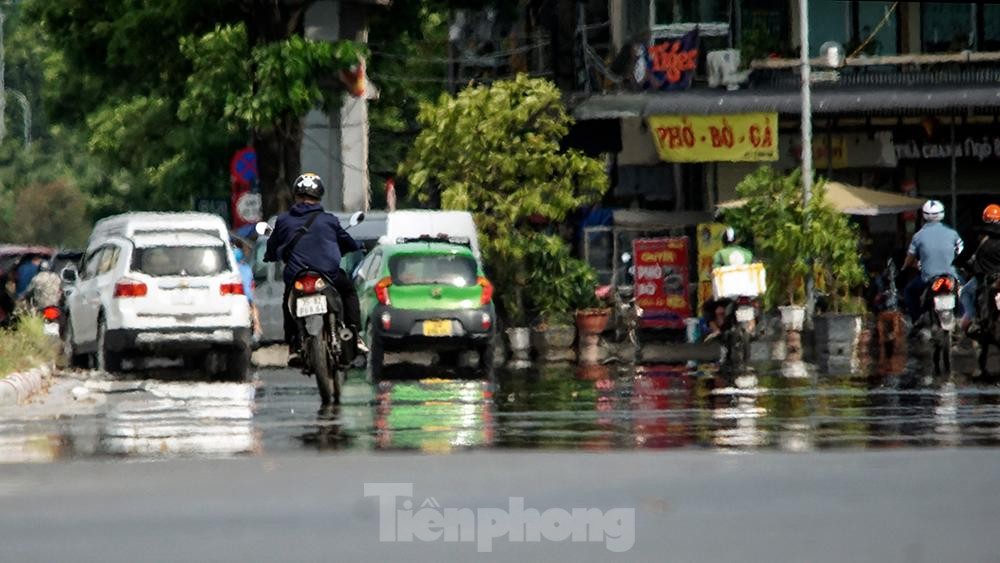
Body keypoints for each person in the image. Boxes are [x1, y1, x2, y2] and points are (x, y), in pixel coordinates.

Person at [263, 173, 362, 363]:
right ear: (318, 197)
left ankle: (293, 344)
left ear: (296, 195)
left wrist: (271, 256)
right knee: (349, 291)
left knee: (287, 302)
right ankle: (355, 335)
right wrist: (357, 247)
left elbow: (272, 248)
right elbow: (347, 241)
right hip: (328, 275)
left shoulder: (283, 220)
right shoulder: (329, 220)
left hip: (297, 277)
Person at [902, 199, 964, 323]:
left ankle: (916, 320)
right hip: (952, 276)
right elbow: (961, 251)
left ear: (924, 215)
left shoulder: (918, 236)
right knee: (965, 293)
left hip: (928, 277)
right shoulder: (953, 233)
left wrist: (904, 267)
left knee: (909, 292)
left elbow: (910, 257)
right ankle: (963, 319)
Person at [964, 204, 1000, 336]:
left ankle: (975, 320)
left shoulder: (979, 237)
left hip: (985, 277)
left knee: (966, 292)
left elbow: (968, 258)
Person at [233, 245, 262, 339]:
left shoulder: (233, 270)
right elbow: (251, 283)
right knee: (254, 308)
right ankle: (257, 329)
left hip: (237, 295)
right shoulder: (247, 268)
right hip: (248, 295)